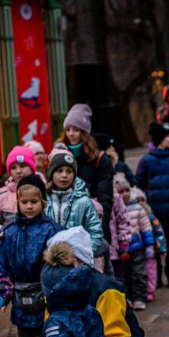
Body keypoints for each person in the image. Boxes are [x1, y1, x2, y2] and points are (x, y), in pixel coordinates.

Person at [0, 174, 62, 337]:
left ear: (43, 201)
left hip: (45, 298)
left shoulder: (51, 229)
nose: (29, 206)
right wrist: (0, 293)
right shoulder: (10, 232)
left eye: (34, 201)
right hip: (20, 299)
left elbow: (59, 266)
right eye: (24, 201)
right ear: (17, 202)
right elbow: (3, 266)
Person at [136, 121, 169, 289]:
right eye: (168, 136)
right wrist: (145, 204)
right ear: (160, 139)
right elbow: (140, 184)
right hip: (153, 210)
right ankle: (157, 275)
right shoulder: (147, 160)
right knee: (154, 243)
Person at [57, 104, 115, 243]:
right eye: (68, 129)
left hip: (91, 219)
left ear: (84, 132)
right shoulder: (59, 155)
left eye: (76, 130)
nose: (71, 134)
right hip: (64, 223)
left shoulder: (99, 159)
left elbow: (105, 197)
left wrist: (99, 227)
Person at [45, 148, 104, 254]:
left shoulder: (84, 201)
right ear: (51, 174)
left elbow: (95, 232)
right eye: (59, 171)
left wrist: (84, 255)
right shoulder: (43, 201)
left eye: (69, 171)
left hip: (77, 260)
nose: (64, 175)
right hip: (48, 260)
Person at [0, 146, 42, 243]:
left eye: (22, 166)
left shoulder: (45, 189)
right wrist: (2, 234)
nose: (18, 171)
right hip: (11, 250)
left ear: (32, 168)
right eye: (13, 167)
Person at [115, 178, 153, 311]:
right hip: (121, 248)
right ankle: (128, 298)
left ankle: (139, 298)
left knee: (138, 273)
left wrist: (149, 245)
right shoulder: (116, 208)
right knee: (123, 274)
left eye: (127, 190)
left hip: (136, 247)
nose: (124, 194)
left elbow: (146, 227)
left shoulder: (138, 208)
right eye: (121, 191)